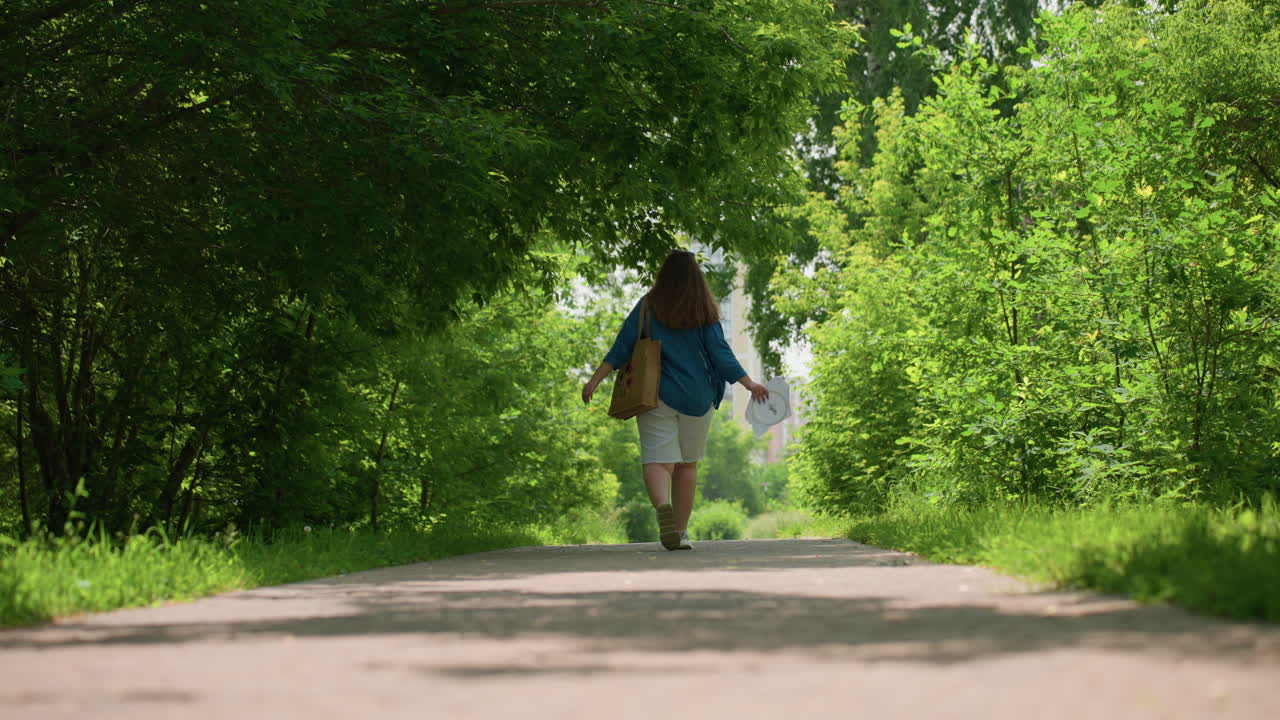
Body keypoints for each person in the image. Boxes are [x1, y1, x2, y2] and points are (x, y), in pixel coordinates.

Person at [581, 250, 769, 551]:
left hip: (654, 394)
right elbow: (721, 355)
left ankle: (662, 508)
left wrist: (595, 379)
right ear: (697, 277)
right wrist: (749, 384)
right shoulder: (703, 310)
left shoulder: (647, 306)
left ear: (663, 274)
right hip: (697, 397)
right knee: (687, 466)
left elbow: (622, 347)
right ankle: (679, 532)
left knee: (658, 459)